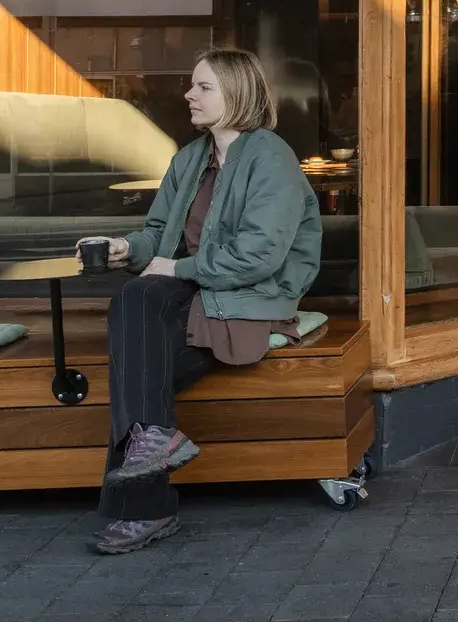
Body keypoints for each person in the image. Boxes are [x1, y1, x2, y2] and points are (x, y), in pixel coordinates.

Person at [75, 48, 322, 555]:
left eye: (204, 87)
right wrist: (129, 248)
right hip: (190, 293)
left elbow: (260, 256)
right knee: (136, 299)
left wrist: (176, 267)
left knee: (138, 365)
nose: (189, 94)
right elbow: (159, 234)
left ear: (238, 93)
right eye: (193, 86)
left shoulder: (271, 157)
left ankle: (147, 508)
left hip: (247, 297)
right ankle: (156, 445)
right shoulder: (191, 157)